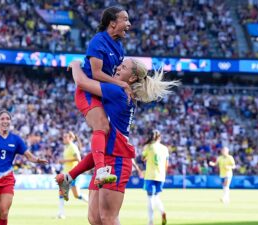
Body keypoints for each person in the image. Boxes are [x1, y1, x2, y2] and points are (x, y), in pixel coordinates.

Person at [62, 59, 180, 225]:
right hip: (107, 158)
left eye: (123, 67)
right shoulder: (120, 92)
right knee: (95, 219)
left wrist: (75, 65)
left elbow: (81, 82)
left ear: (131, 78)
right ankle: (68, 178)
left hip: (117, 160)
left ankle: (68, 177)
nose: (118, 67)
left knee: (108, 218)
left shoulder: (117, 91)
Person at [72, 6, 132, 186]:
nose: (129, 24)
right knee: (102, 126)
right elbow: (97, 73)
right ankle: (100, 171)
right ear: (112, 23)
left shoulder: (119, 47)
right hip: (88, 91)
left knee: (106, 140)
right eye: (125, 19)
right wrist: (121, 84)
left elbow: (116, 74)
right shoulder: (98, 41)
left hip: (102, 93)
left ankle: (67, 177)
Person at [57, 131, 88, 219]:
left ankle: (61, 213)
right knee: (76, 195)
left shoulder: (72, 147)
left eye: (65, 137)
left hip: (72, 173)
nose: (63, 138)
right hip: (67, 173)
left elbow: (78, 158)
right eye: (63, 137)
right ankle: (61, 213)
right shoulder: (66, 147)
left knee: (63, 192)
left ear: (70, 138)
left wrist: (64, 161)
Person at [141, 130, 169, 225]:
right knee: (156, 197)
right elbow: (166, 164)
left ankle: (151, 222)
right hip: (161, 176)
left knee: (150, 199)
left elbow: (143, 159)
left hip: (150, 175)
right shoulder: (165, 148)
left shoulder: (148, 147)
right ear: (159, 137)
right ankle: (162, 211)